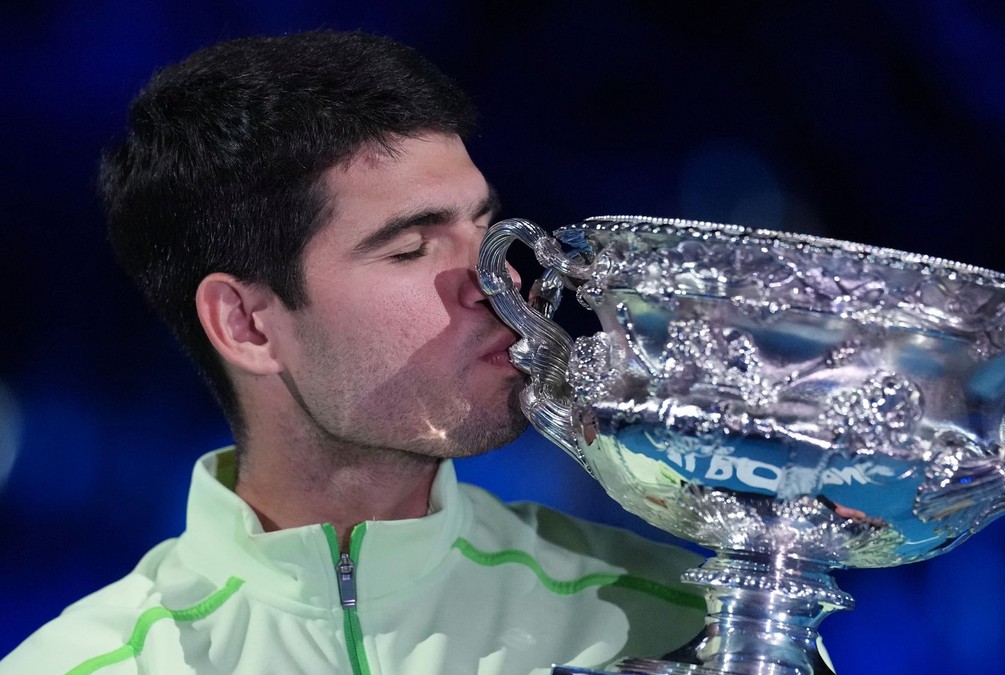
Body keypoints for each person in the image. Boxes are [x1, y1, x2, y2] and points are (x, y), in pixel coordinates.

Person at [0, 31, 706, 675]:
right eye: (410, 247)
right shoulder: (87, 664)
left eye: (487, 229)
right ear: (245, 323)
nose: (500, 279)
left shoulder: (674, 620)